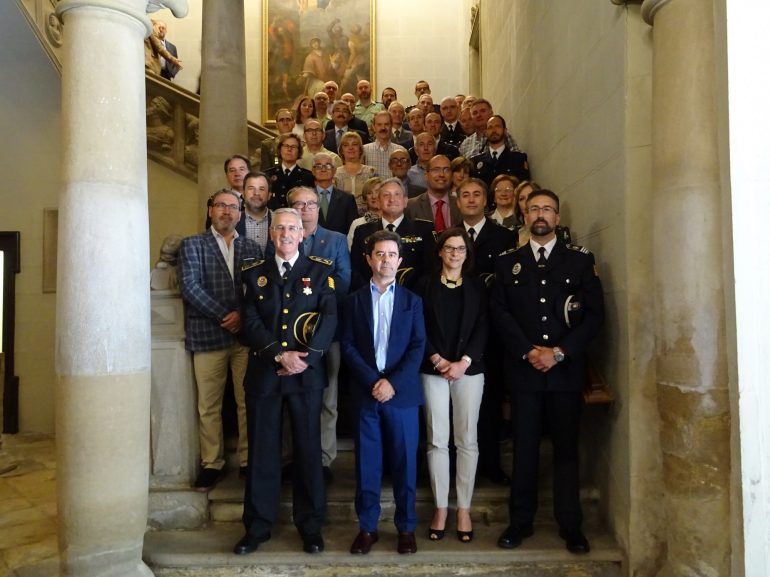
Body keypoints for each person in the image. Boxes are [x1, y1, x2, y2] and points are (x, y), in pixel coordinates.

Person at [491, 189, 604, 555]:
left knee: (566, 450)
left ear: (557, 218)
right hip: (524, 373)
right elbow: (500, 315)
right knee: (523, 450)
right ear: (524, 215)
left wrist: (558, 352)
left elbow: (594, 316)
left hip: (564, 373)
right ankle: (519, 522)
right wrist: (528, 352)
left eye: (548, 209)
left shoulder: (580, 262)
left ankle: (571, 525)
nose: (540, 214)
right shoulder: (508, 262)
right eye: (534, 208)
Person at [235, 208, 337, 556]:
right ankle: (258, 526)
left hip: (305, 375)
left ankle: (310, 526)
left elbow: (329, 317)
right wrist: (280, 355)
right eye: (279, 228)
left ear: (302, 233)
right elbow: (249, 320)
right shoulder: (253, 273)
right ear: (270, 233)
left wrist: (303, 359)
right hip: (265, 374)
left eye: (292, 228)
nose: (286, 234)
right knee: (262, 453)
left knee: (309, 452)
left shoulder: (320, 270)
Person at [340, 229, 427, 555]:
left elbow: (418, 346)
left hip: (401, 396)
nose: (386, 260)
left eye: (392, 254)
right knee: (367, 465)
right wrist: (372, 381)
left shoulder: (412, 302)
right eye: (380, 254)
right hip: (366, 395)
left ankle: (406, 528)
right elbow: (347, 345)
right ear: (368, 259)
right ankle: (368, 528)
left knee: (406, 465)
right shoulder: (353, 301)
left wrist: (392, 382)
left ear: (400, 260)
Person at [178, 190, 262, 492]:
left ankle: (248, 460)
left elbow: (258, 290)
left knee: (246, 401)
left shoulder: (252, 247)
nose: (227, 211)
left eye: (233, 207)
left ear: (240, 213)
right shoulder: (192, 245)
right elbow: (190, 286)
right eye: (221, 206)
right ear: (211, 210)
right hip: (207, 335)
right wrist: (224, 315)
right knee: (208, 405)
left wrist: (241, 316)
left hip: (244, 339)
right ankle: (212, 463)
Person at [416, 228, 488, 544]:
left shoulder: (477, 288)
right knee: (437, 440)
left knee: (467, 440)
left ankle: (464, 508)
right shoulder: (424, 285)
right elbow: (417, 324)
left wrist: (464, 361)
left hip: (469, 370)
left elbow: (485, 327)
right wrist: (436, 358)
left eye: (461, 249)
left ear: (467, 254)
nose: (455, 253)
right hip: (432, 368)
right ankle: (442, 507)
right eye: (449, 248)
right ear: (440, 252)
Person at [456, 178, 517, 487]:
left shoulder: (504, 236)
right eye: (464, 195)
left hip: (493, 330)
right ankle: (458, 465)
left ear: (486, 200)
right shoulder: (448, 237)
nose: (470, 199)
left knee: (490, 399)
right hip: (458, 330)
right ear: (457, 201)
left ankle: (490, 463)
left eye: (476, 194)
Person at [290, 187, 351, 482]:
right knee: (292, 396)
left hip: (328, 331)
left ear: (318, 208)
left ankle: (325, 459)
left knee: (328, 397)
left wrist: (308, 299)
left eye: (311, 203)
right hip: (289, 335)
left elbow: (342, 281)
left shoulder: (336, 240)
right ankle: (296, 457)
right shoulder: (283, 236)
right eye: (299, 204)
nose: (305, 208)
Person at [350, 178, 434, 290]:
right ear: (378, 202)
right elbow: (356, 270)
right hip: (372, 296)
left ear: (405, 201)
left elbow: (430, 270)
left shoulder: (424, 230)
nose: (392, 199)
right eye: (386, 195)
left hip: (412, 297)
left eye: (397, 194)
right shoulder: (362, 231)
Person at [470, 115, 530, 200]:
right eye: (490, 127)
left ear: (505, 131)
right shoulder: (475, 161)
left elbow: (524, 188)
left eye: (497, 126)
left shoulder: (518, 159)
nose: (494, 130)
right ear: (486, 132)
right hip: (485, 210)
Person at [406, 155, 462, 233]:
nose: (442, 174)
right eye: (436, 170)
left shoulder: (462, 205)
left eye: (446, 170)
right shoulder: (410, 206)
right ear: (426, 175)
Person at [311, 152, 358, 235]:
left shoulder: (347, 199)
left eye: (328, 166)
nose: (323, 169)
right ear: (313, 171)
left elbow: (352, 231)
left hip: (338, 246)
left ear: (334, 170)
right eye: (318, 166)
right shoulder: (305, 197)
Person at [264, 133, 314, 210]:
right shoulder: (268, 175)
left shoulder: (307, 176)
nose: (289, 149)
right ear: (280, 149)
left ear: (299, 151)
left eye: (293, 147)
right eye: (286, 146)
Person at [333, 131, 377, 211]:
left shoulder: (371, 172)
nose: (351, 148)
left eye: (355, 144)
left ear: (360, 149)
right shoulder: (335, 174)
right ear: (341, 150)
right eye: (346, 145)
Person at [236, 171, 273, 256]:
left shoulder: (279, 220)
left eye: (261, 189)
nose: (256, 193)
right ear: (243, 193)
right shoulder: (233, 222)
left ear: (269, 195)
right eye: (251, 188)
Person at [363, 111, 408, 178]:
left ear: (391, 126)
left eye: (386, 124)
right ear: (374, 127)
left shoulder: (401, 151)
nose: (383, 128)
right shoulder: (364, 150)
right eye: (379, 124)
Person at [347, 176, 381, 249]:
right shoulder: (357, 223)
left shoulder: (390, 222)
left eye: (377, 192)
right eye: (369, 193)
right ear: (365, 198)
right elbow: (349, 250)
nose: (374, 196)